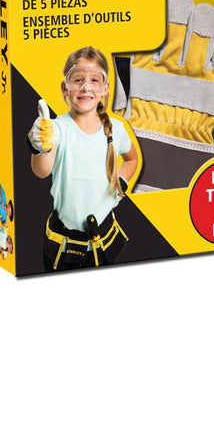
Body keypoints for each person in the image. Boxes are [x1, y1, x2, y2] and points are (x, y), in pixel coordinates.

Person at [28, 46, 138, 270]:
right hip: (64, 248)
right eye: (78, 79)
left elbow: (132, 159)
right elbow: (42, 171)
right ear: (65, 88)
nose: (86, 87)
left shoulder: (117, 128)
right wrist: (40, 147)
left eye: (94, 80)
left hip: (105, 242)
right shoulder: (57, 129)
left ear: (105, 88)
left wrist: (121, 185)